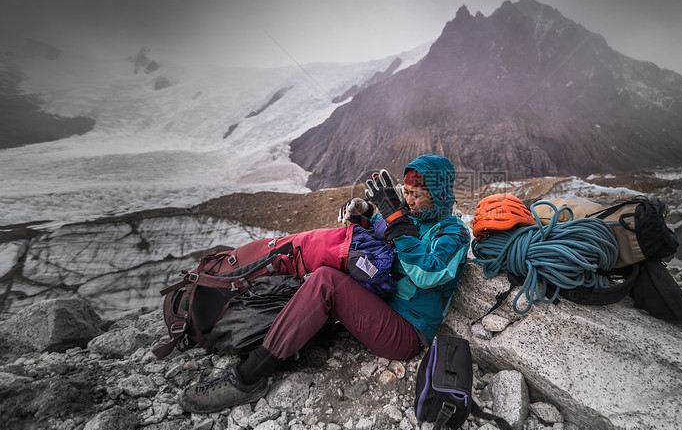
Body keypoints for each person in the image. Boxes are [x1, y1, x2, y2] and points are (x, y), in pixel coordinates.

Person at [179, 153, 471, 413]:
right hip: (382, 306)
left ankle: (247, 378)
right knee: (331, 261)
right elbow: (383, 228)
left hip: (407, 332)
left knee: (326, 282)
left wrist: (397, 221)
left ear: (438, 194)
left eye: (417, 195)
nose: (408, 200)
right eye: (405, 193)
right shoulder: (412, 217)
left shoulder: (453, 233)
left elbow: (428, 274)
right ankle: (264, 337)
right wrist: (365, 215)